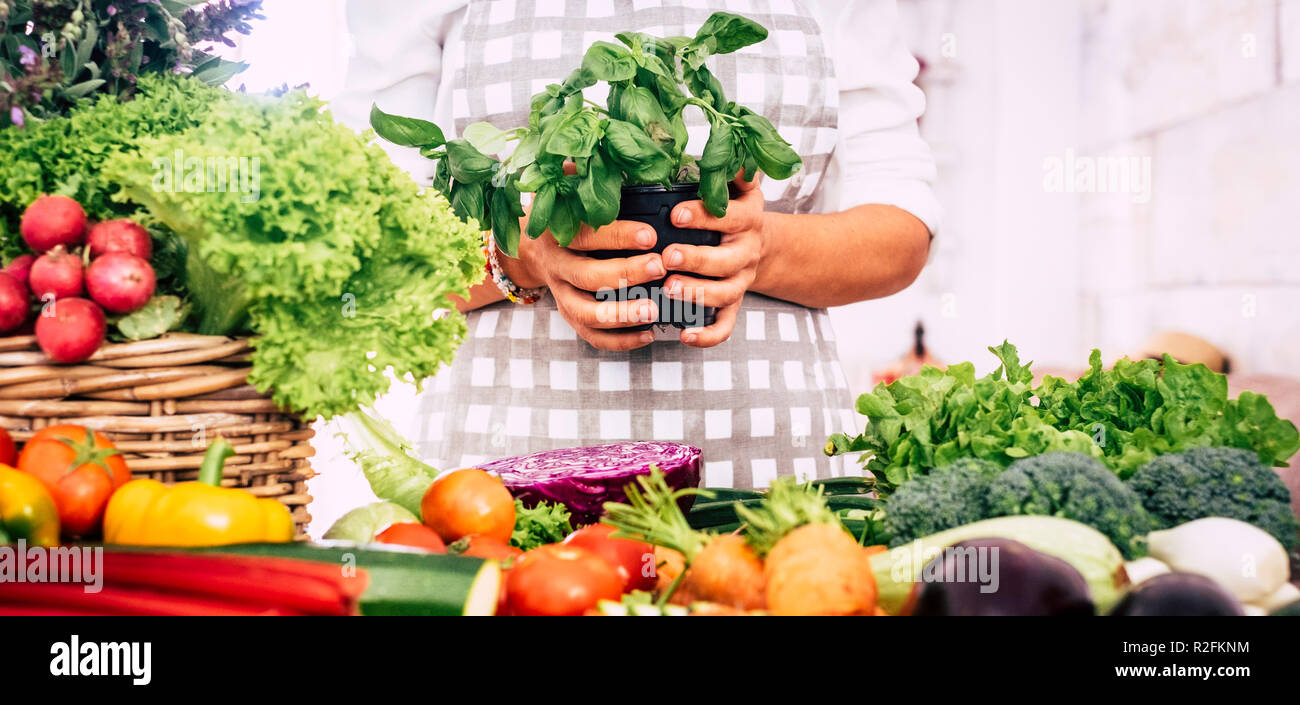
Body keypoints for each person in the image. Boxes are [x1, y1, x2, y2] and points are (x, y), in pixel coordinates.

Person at [332, 0, 940, 488]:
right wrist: (524, 255)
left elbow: (902, 233)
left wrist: (762, 247)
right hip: (498, 472)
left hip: (769, 477)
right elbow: (367, 251)